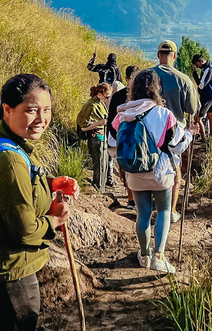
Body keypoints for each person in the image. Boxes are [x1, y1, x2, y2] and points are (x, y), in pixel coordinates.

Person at [0, 73, 75, 331]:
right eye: (31, 111)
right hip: (9, 274)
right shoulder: (8, 159)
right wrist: (55, 219)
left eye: (47, 110)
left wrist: (49, 183)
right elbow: (24, 232)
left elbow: (10, 191)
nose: (42, 120)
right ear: (7, 109)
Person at [113, 69, 195, 273]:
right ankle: (159, 256)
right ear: (155, 89)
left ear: (133, 90)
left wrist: (127, 165)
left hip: (135, 173)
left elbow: (113, 146)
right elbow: (177, 146)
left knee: (142, 214)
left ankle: (144, 254)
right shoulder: (164, 114)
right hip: (161, 174)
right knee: (164, 211)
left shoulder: (122, 115)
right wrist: (190, 134)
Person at [150, 40, 198, 223]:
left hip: (149, 129)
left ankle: (151, 208)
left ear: (158, 55)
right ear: (175, 56)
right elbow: (191, 109)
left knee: (150, 167)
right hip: (174, 133)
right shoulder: (184, 80)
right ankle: (169, 210)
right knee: (174, 171)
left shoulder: (147, 76)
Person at [107, 65, 141, 210]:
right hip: (137, 139)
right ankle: (135, 199)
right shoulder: (143, 96)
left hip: (121, 138)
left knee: (126, 170)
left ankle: (131, 199)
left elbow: (110, 121)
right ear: (126, 79)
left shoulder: (118, 96)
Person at [77, 83, 112, 192]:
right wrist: (99, 123)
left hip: (102, 137)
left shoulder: (100, 103)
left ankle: (101, 189)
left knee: (104, 165)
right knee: (99, 165)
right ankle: (98, 190)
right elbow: (83, 127)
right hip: (96, 138)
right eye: (107, 96)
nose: (107, 99)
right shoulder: (91, 106)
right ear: (100, 93)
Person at [191, 54, 212, 139]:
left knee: (198, 118)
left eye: (197, 64)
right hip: (210, 95)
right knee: (210, 116)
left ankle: (204, 140)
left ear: (201, 61)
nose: (197, 67)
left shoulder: (208, 70)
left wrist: (194, 74)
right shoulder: (207, 67)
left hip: (207, 97)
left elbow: (201, 85)